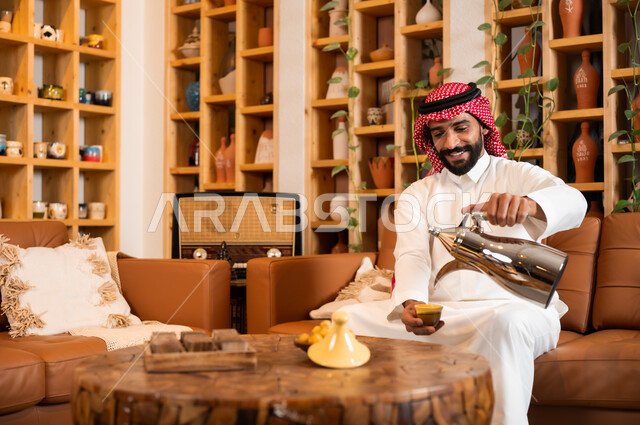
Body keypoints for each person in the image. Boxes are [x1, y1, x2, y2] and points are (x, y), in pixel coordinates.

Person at [339, 82, 587, 425]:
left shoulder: (517, 174)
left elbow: (576, 202)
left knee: (506, 324)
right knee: (348, 321)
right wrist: (410, 304)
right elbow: (412, 257)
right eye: (439, 133)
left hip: (519, 311)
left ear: (483, 125)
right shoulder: (417, 193)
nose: (451, 143)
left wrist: (529, 205)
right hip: (446, 316)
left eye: (461, 127)